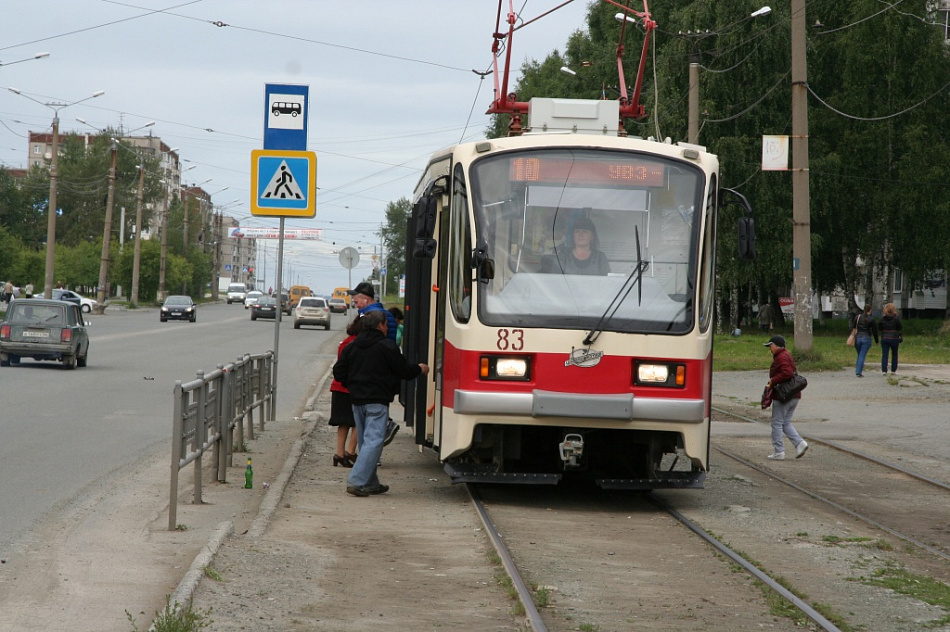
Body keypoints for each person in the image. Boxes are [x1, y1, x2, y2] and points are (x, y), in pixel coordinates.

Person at [332, 310, 429, 497]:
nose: (387, 328)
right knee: (374, 442)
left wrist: (352, 385)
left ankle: (370, 482)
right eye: (386, 324)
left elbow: (339, 371)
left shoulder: (352, 346)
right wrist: (419, 368)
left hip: (357, 401)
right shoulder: (387, 346)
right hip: (377, 401)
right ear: (380, 326)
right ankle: (357, 481)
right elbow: (403, 370)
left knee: (366, 442)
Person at [763, 335, 808, 461]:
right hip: (794, 395)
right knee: (785, 422)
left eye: (770, 346)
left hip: (784, 395)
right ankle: (800, 444)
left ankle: (779, 451)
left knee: (777, 423)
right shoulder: (786, 355)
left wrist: (772, 381)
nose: (769, 349)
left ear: (776, 346)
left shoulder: (781, 356)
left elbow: (787, 373)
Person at [329, 315, 363, 468]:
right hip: (352, 387)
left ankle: (339, 453)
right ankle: (350, 451)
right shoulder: (359, 344)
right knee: (358, 420)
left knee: (343, 422)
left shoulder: (345, 342)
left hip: (338, 387)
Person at [851, 303, 878, 377]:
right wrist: (876, 341)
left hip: (857, 338)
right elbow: (874, 331)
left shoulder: (858, 317)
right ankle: (858, 372)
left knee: (860, 355)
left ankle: (858, 369)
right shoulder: (871, 319)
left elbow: (853, 327)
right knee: (862, 355)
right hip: (866, 338)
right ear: (870, 310)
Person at [879, 302, 903, 376]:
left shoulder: (882, 319)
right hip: (894, 338)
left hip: (885, 337)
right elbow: (900, 327)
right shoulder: (896, 318)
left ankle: (884, 370)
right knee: (895, 354)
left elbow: (879, 328)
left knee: (885, 354)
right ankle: (893, 370)